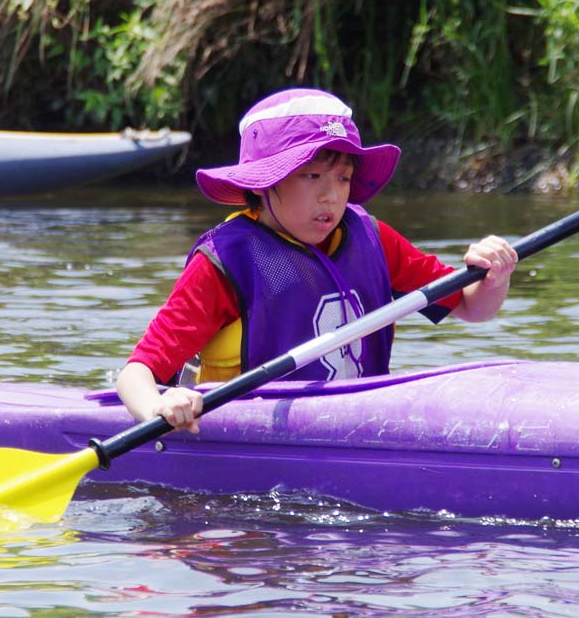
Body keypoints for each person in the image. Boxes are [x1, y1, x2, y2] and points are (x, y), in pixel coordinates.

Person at [116, 88, 518, 433]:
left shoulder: (373, 238)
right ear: (266, 182)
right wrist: (159, 408)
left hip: (357, 427)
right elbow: (136, 374)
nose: (333, 196)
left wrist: (493, 277)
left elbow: (471, 305)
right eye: (312, 177)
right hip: (249, 435)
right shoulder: (226, 260)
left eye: (343, 178)